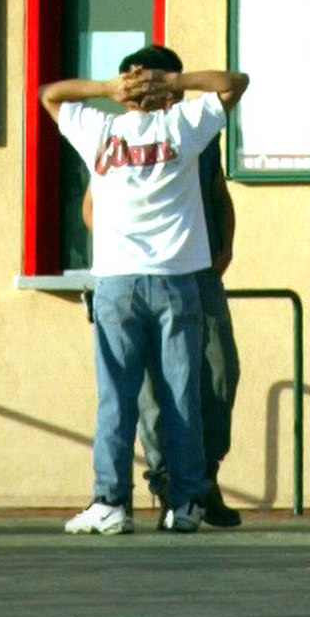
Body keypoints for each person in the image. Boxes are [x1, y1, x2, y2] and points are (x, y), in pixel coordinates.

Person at [41, 39, 249, 535]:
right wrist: (172, 85)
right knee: (181, 397)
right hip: (176, 282)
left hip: (118, 283)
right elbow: (233, 83)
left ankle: (111, 501)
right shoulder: (182, 127)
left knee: (118, 397)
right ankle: (186, 503)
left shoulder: (101, 131)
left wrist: (104, 90)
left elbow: (50, 93)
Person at [132, 133, 241, 527]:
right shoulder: (121, 139)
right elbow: (94, 207)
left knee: (218, 373)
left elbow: (219, 194)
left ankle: (205, 478)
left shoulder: (198, 134)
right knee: (154, 385)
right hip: (146, 276)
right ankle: (166, 484)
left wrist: (225, 248)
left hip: (200, 273)